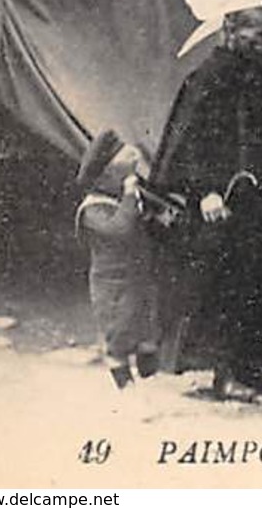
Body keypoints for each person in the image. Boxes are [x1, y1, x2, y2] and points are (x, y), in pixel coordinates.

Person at [150, 0, 262, 402]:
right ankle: (225, 373)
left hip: (257, 197)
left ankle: (251, 366)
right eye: (256, 35)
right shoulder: (209, 77)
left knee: (259, 283)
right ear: (230, 31)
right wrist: (203, 191)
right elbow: (189, 142)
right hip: (220, 203)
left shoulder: (258, 70)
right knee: (226, 287)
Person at [75, 132, 160, 389]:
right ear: (107, 176)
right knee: (119, 336)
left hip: (137, 281)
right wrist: (130, 195)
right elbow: (121, 230)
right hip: (113, 288)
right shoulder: (92, 210)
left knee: (147, 333)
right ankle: (126, 390)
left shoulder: (122, 199)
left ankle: (148, 384)